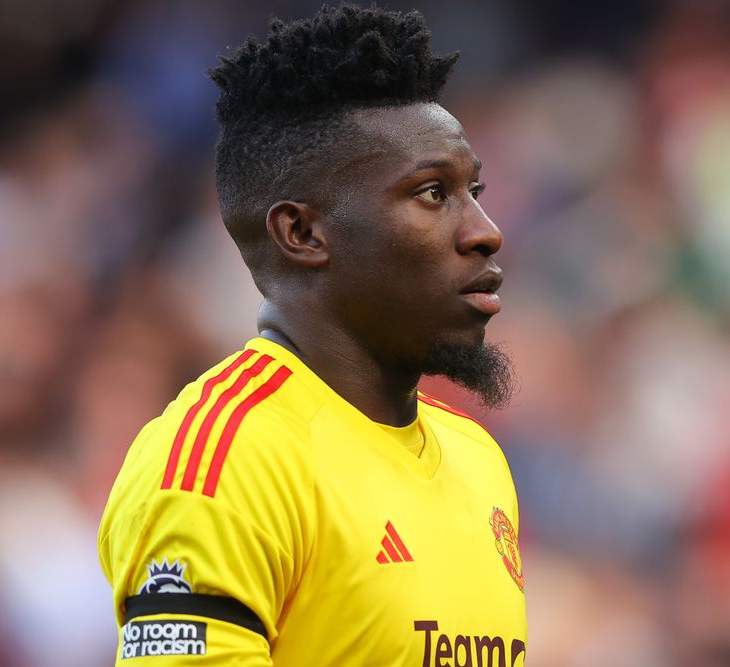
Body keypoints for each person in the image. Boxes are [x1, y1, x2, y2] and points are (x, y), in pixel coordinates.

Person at [97, 5, 526, 665]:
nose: (485, 229)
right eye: (434, 193)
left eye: (475, 189)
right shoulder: (225, 463)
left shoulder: (478, 458)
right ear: (301, 233)